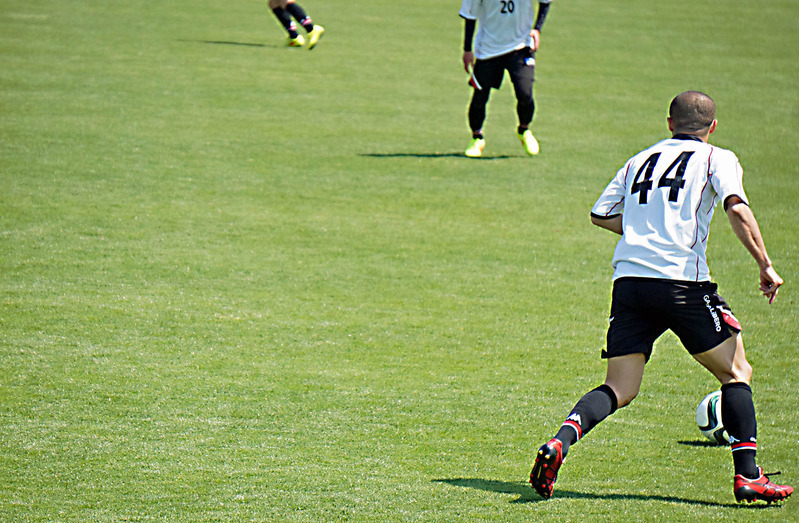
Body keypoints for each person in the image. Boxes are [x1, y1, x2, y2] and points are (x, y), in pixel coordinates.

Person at [529, 91, 793, 504]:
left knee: (619, 386)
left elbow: (599, 213)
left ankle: (559, 442)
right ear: (712, 127)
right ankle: (749, 477)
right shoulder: (717, 158)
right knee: (736, 371)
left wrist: (642, 230)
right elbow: (737, 209)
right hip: (681, 284)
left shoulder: (639, 160)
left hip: (631, 283)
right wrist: (765, 264)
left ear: (669, 123)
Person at [459, 0, 553, 158]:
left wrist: (537, 29)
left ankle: (524, 130)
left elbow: (545, 1)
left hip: (521, 46)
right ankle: (477, 138)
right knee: (480, 97)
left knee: (525, 93)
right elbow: (469, 16)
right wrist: (467, 50)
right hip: (488, 49)